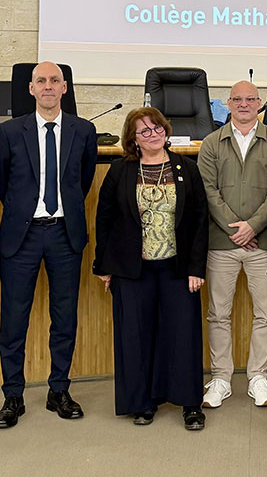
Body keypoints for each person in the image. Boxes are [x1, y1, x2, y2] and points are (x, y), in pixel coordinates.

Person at [0, 61, 98, 429]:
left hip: (65, 234)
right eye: (41, 81)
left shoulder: (84, 130)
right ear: (31, 88)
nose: (48, 86)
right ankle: (12, 396)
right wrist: (26, 210)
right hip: (22, 236)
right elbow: (2, 181)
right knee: (13, 319)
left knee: (64, 317)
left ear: (65, 88)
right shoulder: (9, 131)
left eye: (55, 80)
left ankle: (59, 391)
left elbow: (83, 180)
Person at [93, 107, 209, 431]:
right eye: (144, 131)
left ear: (166, 131)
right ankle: (142, 403)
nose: (153, 134)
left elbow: (200, 220)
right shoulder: (120, 170)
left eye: (157, 128)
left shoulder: (187, 168)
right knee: (135, 336)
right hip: (132, 269)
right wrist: (104, 266)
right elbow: (104, 219)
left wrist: (197, 268)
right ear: (133, 138)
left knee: (183, 335)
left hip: (178, 268)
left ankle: (190, 404)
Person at [198, 80, 267, 408]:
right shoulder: (211, 143)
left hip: (263, 243)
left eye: (250, 99)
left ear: (260, 103)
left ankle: (258, 377)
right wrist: (236, 229)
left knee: (265, 313)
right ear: (228, 103)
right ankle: (221, 378)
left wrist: (253, 227)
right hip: (221, 243)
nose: (243, 104)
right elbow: (207, 190)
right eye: (237, 99)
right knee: (217, 314)